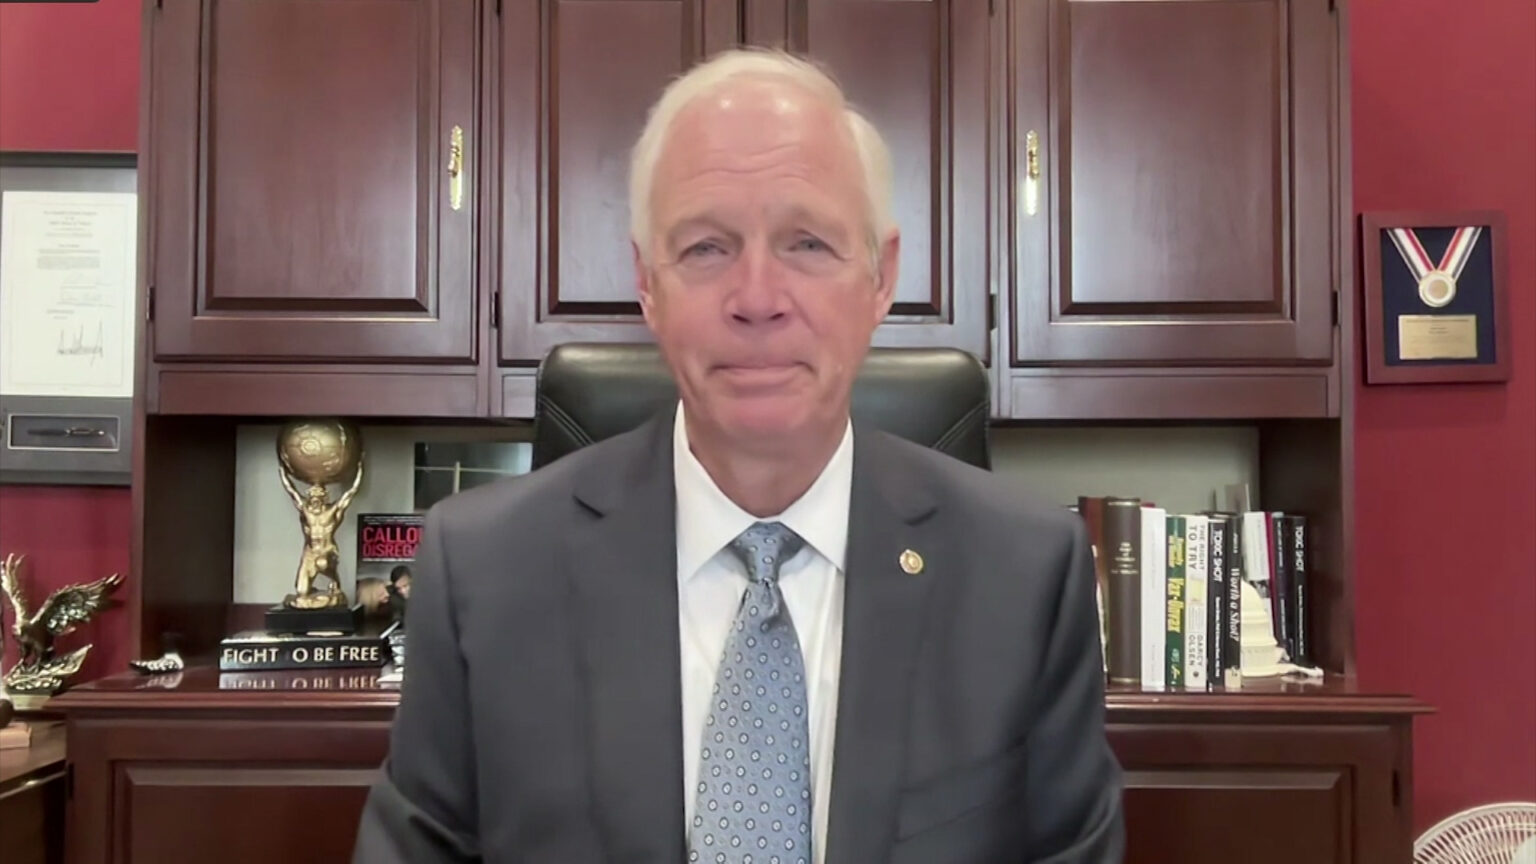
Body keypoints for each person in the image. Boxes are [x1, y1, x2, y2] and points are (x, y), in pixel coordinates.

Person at [353, 47, 1124, 863]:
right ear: (647, 284)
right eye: (707, 249)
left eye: (809, 245)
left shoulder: (1027, 574)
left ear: (880, 276)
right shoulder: (484, 570)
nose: (757, 300)